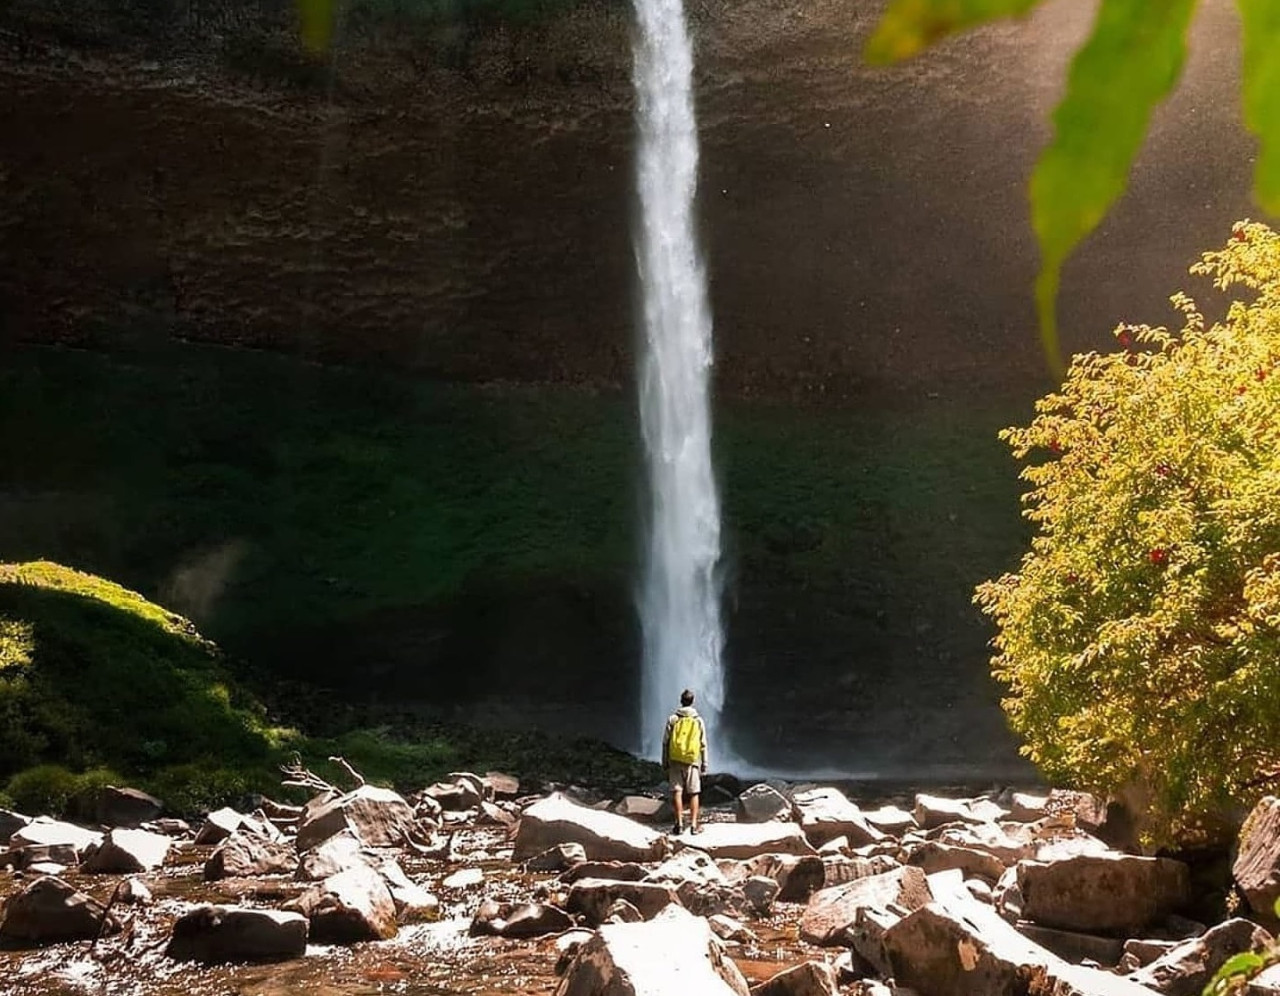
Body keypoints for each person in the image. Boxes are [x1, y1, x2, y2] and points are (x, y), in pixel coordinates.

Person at [661, 688, 708, 835]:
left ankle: (679, 824)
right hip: (692, 760)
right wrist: (704, 763)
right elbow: (703, 743)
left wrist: (664, 761)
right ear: (692, 702)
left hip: (675, 760)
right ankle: (694, 826)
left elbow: (665, 742)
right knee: (694, 793)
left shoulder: (673, 719)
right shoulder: (698, 720)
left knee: (677, 791)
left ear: (681, 701)